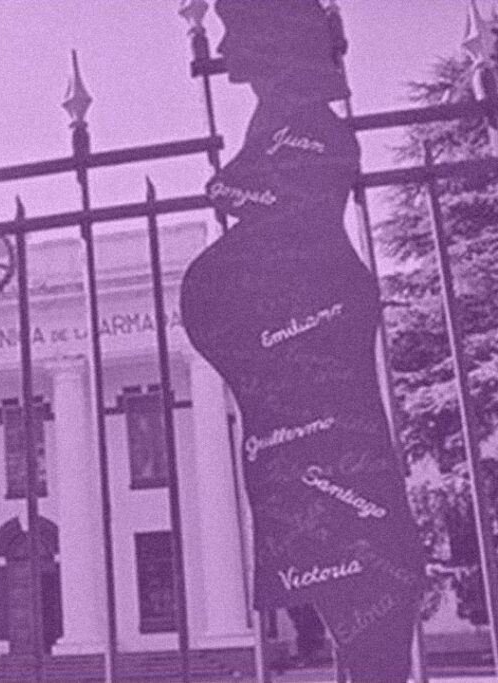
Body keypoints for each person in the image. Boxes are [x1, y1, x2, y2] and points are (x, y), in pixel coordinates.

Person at [179, 2, 425, 681]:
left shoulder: (308, 123)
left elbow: (283, 201)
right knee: (314, 505)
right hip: (286, 361)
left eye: (236, 32)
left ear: (273, 39)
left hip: (315, 331)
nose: (224, 51)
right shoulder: (279, 118)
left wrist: (230, 187)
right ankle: (363, 639)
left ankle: (376, 638)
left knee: (348, 492)